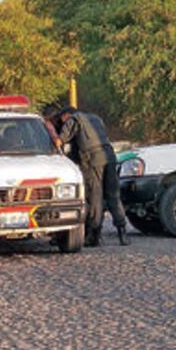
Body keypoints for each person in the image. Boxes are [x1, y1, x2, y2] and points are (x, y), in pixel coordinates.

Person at [49, 106, 128, 247]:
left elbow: (60, 141)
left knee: (95, 197)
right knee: (113, 195)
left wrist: (53, 138)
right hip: (109, 156)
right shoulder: (95, 118)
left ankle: (94, 236)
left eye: (61, 119)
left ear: (65, 115)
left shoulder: (74, 120)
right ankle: (123, 233)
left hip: (93, 160)